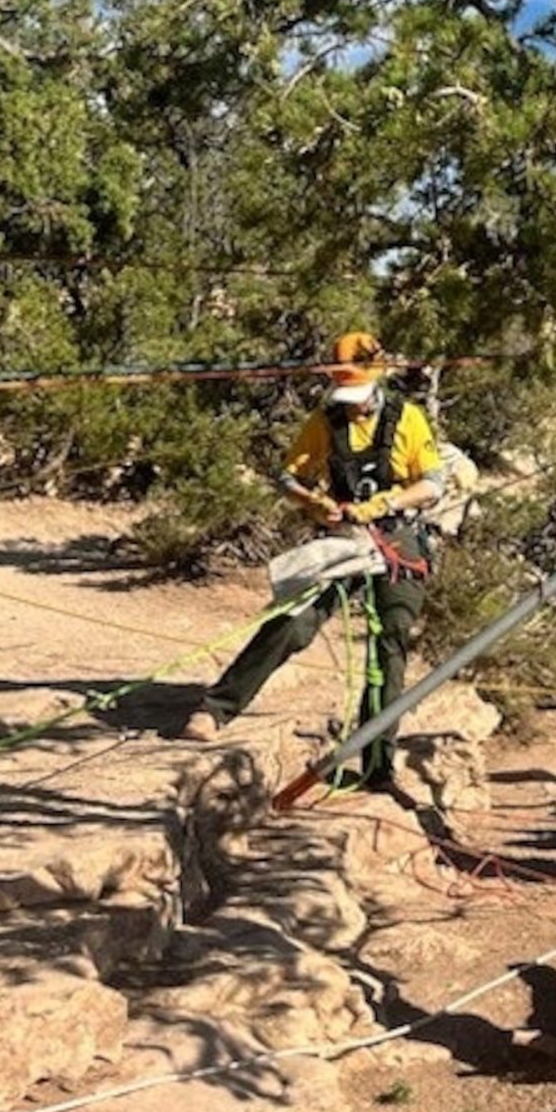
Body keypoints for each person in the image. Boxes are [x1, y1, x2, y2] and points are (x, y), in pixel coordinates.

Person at [182, 331, 446, 786]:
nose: (353, 405)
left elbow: (433, 483)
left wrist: (384, 504)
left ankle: (377, 764)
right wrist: (312, 502)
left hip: (397, 539)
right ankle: (215, 710)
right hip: (344, 537)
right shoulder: (325, 422)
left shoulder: (409, 420)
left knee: (389, 643)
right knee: (293, 621)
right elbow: (289, 477)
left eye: (358, 395)